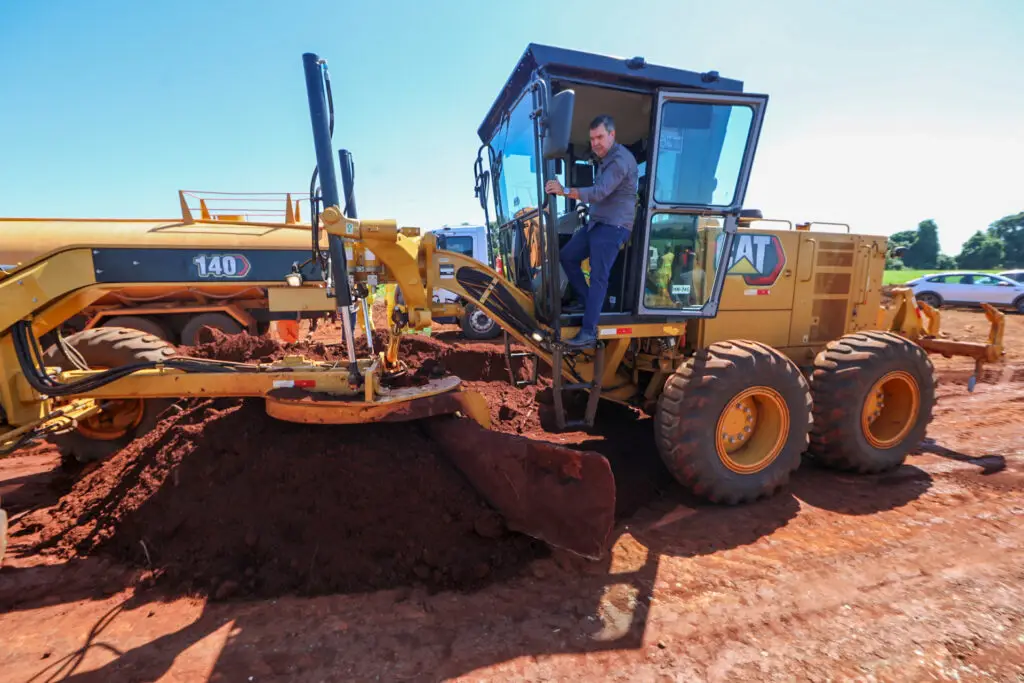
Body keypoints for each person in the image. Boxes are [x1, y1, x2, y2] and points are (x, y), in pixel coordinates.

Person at [545, 114, 638, 347]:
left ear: (612, 135)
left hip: (614, 226)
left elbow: (598, 192)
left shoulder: (620, 161)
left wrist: (564, 190)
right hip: (597, 223)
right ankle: (588, 303)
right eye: (592, 138)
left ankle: (588, 332)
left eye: (600, 137)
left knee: (599, 275)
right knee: (567, 256)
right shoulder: (605, 159)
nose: (595, 142)